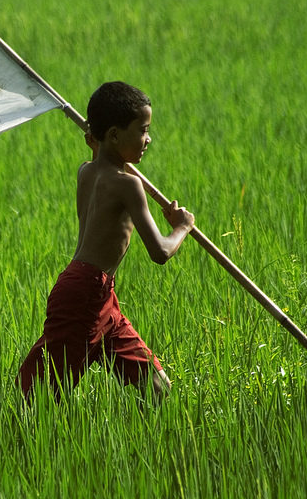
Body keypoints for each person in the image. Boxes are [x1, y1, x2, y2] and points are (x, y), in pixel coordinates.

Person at [17, 81, 195, 403]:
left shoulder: (86, 171)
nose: (148, 139)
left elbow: (99, 158)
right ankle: (14, 439)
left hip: (97, 292)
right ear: (113, 135)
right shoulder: (128, 186)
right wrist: (182, 227)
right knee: (42, 398)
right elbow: (160, 251)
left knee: (158, 389)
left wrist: (99, 141)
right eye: (142, 130)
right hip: (85, 295)